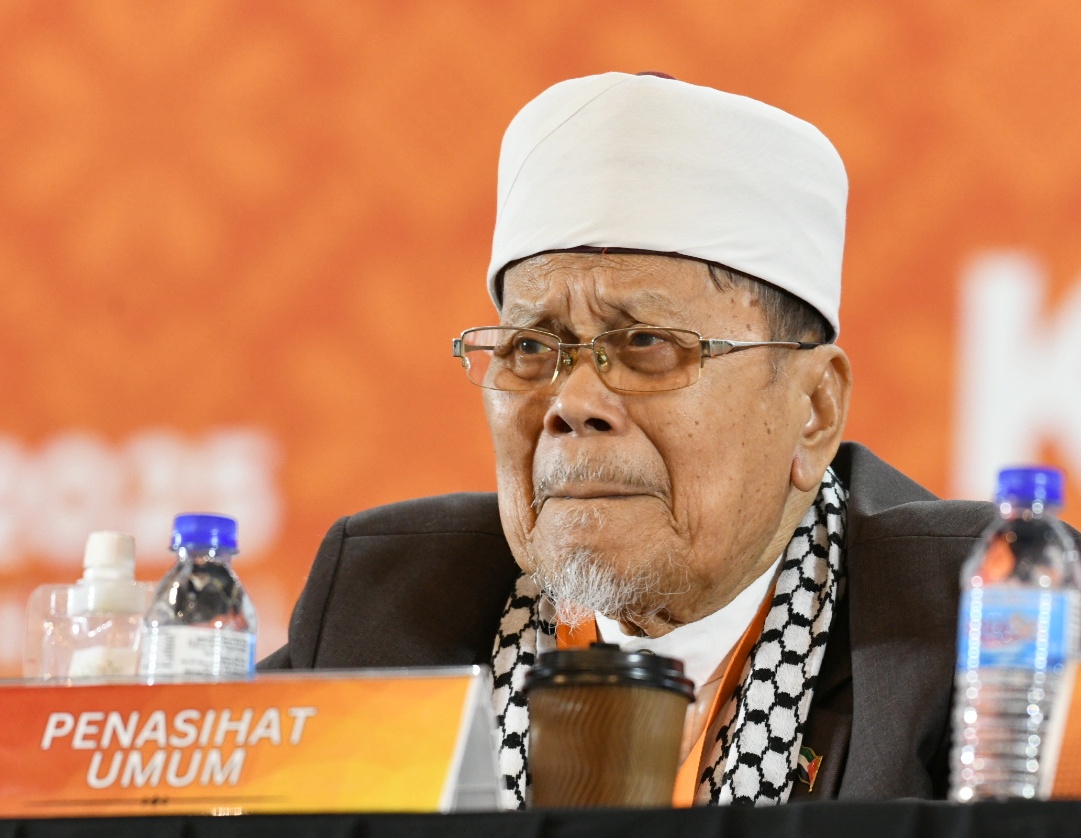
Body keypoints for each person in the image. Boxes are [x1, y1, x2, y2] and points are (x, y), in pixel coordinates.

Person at [260, 72, 1003, 807]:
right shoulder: (387, 607)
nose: (573, 404)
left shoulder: (972, 622)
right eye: (530, 347)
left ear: (813, 408)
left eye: (647, 343)